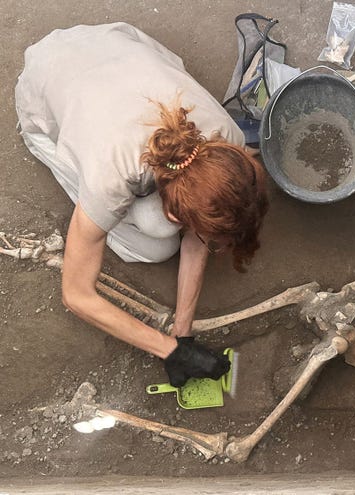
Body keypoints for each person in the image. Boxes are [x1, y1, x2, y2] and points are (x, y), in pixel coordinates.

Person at [15, 23, 269, 387]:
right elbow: (76, 295)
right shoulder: (112, 173)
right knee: (156, 243)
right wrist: (169, 349)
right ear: (173, 208)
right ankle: (80, 184)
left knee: (167, 232)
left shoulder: (226, 141)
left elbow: (199, 233)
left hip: (108, 41)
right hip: (42, 87)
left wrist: (184, 333)